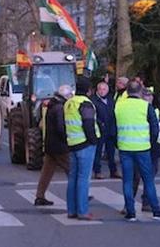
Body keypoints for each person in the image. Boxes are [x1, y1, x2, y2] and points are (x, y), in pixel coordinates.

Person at [115, 80, 160, 221]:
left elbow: (113, 127)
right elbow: (154, 128)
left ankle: (130, 212)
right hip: (143, 148)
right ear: (139, 91)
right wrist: (150, 143)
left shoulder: (119, 105)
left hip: (125, 147)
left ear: (127, 91)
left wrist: (117, 143)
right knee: (148, 180)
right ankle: (156, 211)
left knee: (128, 180)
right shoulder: (145, 106)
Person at [64, 77, 100, 221]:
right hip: (85, 145)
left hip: (72, 143)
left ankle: (71, 210)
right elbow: (88, 123)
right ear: (89, 90)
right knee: (83, 179)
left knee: (72, 178)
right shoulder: (85, 103)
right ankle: (83, 211)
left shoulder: (69, 103)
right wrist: (94, 140)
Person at [34, 85, 73, 206]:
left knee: (47, 172)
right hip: (59, 146)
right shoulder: (60, 108)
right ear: (66, 96)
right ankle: (80, 194)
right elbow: (61, 128)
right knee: (72, 170)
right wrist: (67, 139)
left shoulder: (51, 105)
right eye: (70, 96)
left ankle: (39, 196)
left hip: (50, 144)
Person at [130, 88, 160, 212]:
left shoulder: (156, 110)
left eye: (150, 96)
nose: (148, 98)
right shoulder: (138, 110)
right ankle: (129, 203)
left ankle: (146, 202)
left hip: (153, 147)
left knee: (150, 176)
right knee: (135, 177)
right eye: (145, 96)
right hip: (139, 146)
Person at [91, 81, 121, 179]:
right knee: (98, 152)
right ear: (97, 90)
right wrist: (100, 123)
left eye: (104, 89)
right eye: (100, 89)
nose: (102, 91)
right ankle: (97, 171)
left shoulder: (111, 100)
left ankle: (114, 171)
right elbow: (93, 115)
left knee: (111, 153)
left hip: (110, 129)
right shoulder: (93, 100)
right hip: (100, 130)